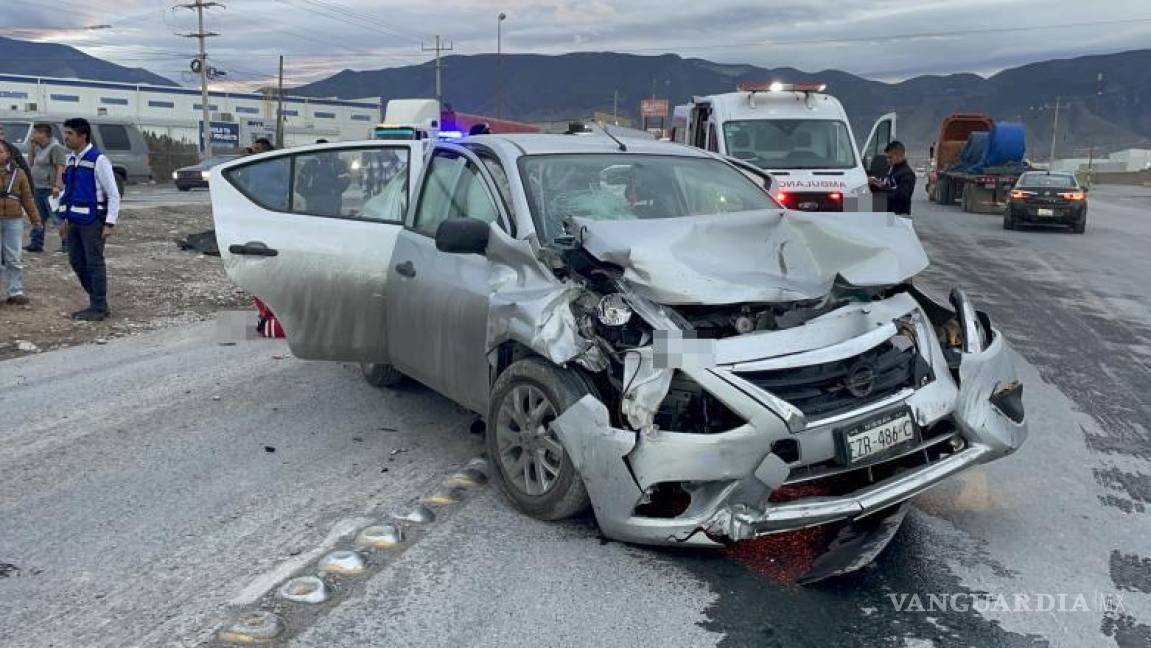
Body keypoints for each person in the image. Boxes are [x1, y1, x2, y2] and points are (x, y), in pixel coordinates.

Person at [58, 117, 120, 321]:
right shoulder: (71, 159)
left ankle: (99, 306)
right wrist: (63, 219)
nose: (65, 137)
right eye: (65, 133)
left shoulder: (98, 160)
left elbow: (113, 193)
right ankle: (96, 301)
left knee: (94, 263)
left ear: (82, 136)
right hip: (74, 220)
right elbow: (68, 191)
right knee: (76, 261)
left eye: (69, 134)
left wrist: (109, 223)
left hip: (94, 221)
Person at [0, 139, 42, 305]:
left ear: (8, 154)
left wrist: (36, 220)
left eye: (1, 152)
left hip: (14, 219)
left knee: (14, 257)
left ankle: (15, 291)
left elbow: (28, 199)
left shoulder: (19, 174)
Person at [24, 124, 68, 253]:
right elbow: (31, 164)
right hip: (38, 187)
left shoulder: (55, 147)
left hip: (50, 189)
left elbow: (60, 166)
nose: (33, 136)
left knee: (58, 218)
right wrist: (32, 148)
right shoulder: (39, 148)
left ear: (43, 134)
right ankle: (36, 243)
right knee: (38, 217)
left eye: (35, 133)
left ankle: (67, 244)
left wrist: (57, 185)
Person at [869, 141, 916, 216]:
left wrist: (882, 188)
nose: (887, 160)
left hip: (897, 217)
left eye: (890, 157)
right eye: (887, 157)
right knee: (847, 203)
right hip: (883, 212)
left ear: (900, 155)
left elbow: (902, 197)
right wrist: (872, 184)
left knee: (850, 204)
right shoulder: (888, 169)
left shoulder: (907, 174)